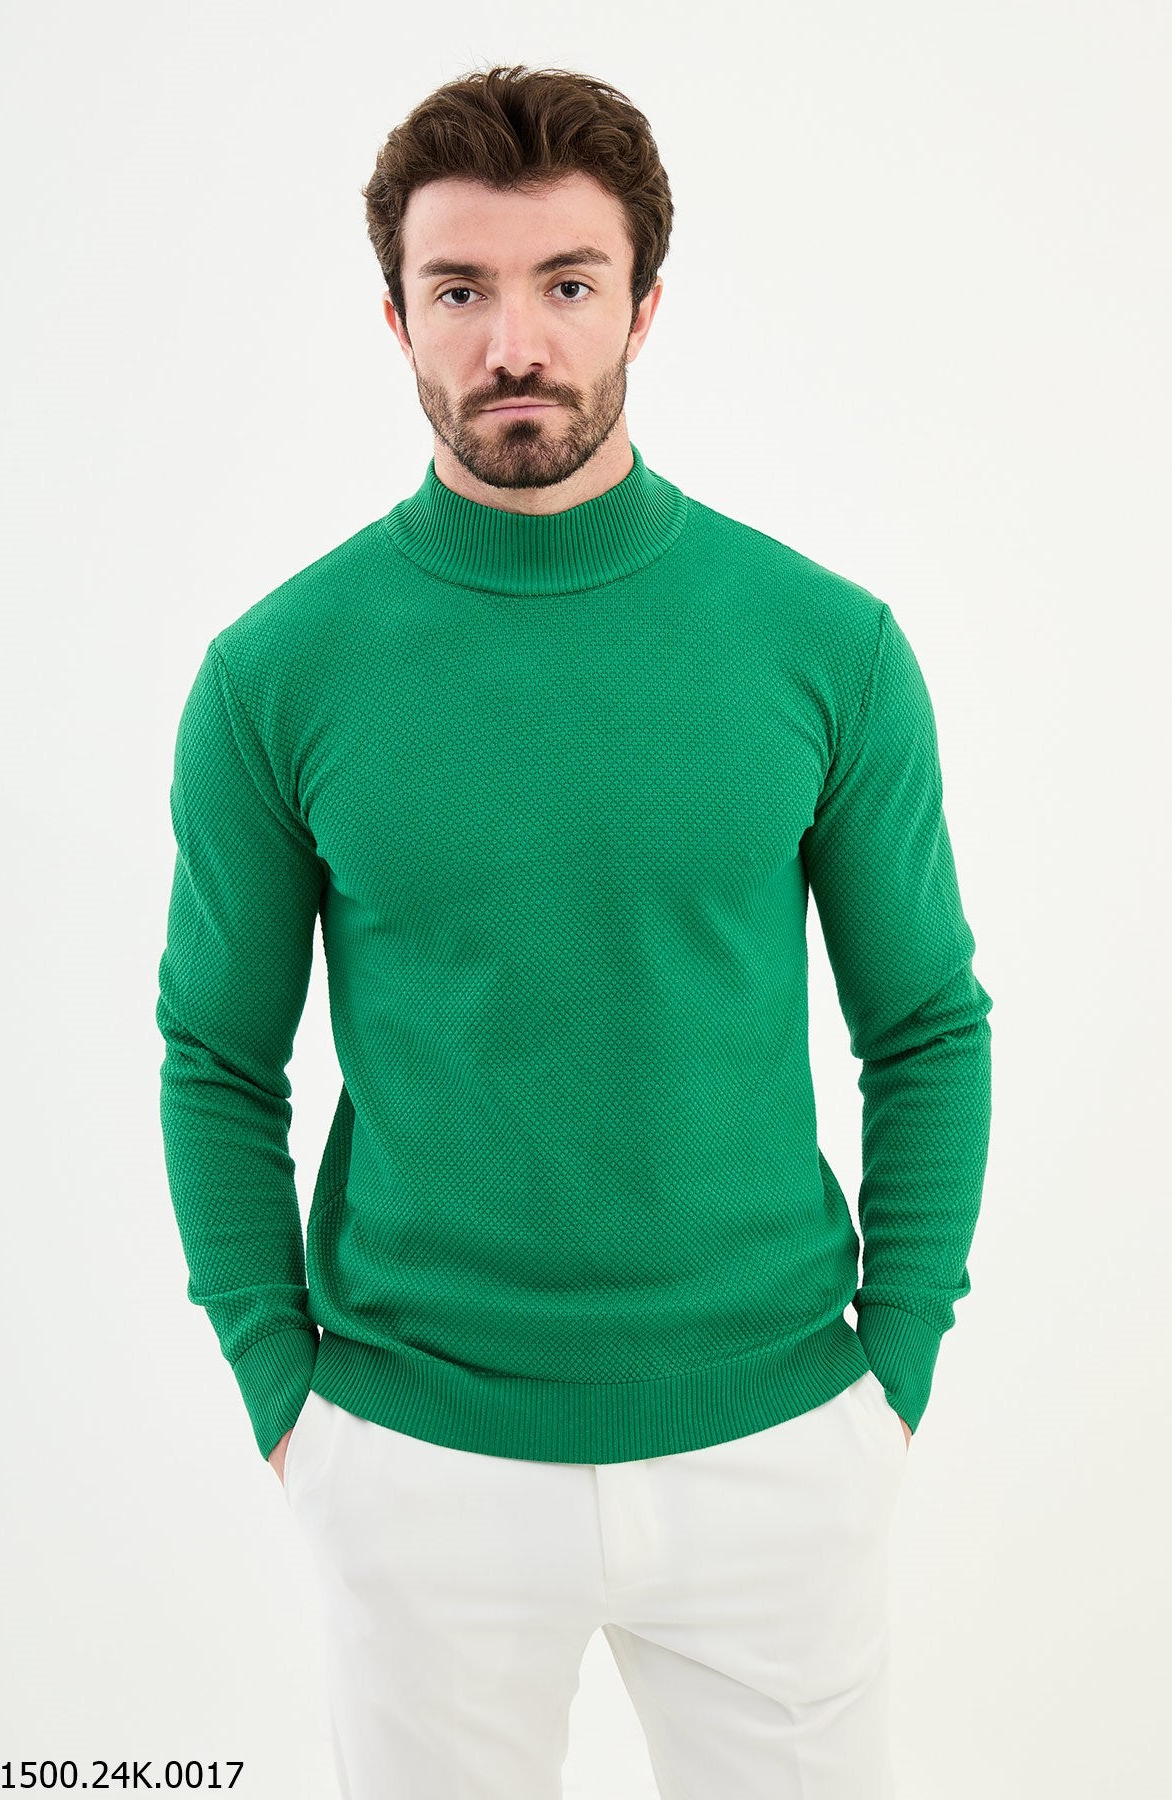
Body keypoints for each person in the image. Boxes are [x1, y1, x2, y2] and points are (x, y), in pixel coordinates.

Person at [156, 61, 993, 1800]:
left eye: (567, 283)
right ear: (397, 316)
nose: (514, 343)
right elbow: (217, 1059)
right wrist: (282, 1394)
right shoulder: (277, 674)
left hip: (779, 1442)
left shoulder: (823, 648)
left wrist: (896, 1362)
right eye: (461, 290)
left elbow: (925, 1025)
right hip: (416, 1457)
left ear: (645, 305)